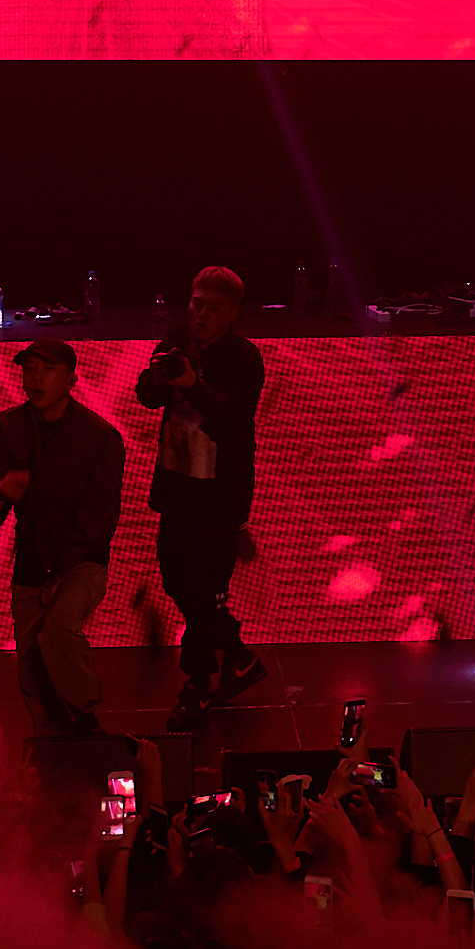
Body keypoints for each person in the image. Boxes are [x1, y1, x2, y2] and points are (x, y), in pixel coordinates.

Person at [0, 339, 124, 736]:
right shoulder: (11, 426)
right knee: (31, 662)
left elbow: (100, 518)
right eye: (29, 369)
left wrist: (60, 572)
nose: (35, 378)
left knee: (58, 631)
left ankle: (85, 719)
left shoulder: (98, 437)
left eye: (47, 370)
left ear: (71, 379)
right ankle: (50, 739)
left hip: (80, 561)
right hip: (31, 559)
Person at [136, 266, 268, 732]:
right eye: (196, 304)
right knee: (178, 582)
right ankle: (237, 655)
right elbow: (145, 395)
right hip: (177, 487)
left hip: (220, 494)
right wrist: (161, 376)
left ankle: (197, 683)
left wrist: (194, 387)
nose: (201, 314)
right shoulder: (176, 342)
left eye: (213, 307)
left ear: (233, 313)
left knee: (205, 588)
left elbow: (234, 419)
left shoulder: (244, 358)